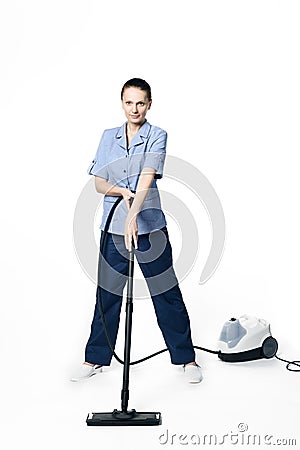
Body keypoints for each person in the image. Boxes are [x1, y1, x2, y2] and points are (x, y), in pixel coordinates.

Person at [71, 78, 202, 383]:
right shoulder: (108, 137)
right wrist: (122, 194)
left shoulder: (157, 136)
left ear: (149, 104)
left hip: (149, 227)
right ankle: (95, 359)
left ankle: (186, 359)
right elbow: (99, 183)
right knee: (107, 294)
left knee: (165, 292)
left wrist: (134, 212)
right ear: (122, 103)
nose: (134, 108)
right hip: (113, 228)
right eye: (129, 102)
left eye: (140, 102)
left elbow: (146, 177)